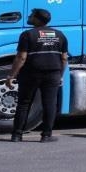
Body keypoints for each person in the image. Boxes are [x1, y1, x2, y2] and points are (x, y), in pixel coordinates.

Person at [6, 8, 68, 143]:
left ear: (37, 19)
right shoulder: (60, 35)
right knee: (50, 104)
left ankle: (17, 135)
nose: (29, 17)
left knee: (24, 103)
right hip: (53, 73)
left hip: (31, 73)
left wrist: (11, 76)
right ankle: (46, 135)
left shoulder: (28, 34)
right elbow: (64, 58)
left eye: (31, 15)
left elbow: (21, 57)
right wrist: (60, 75)